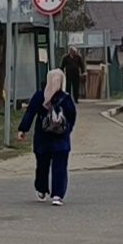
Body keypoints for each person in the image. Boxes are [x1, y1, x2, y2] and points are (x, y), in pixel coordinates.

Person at [19, 69, 78, 206]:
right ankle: (57, 195)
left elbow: (30, 112)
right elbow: (72, 116)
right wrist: (67, 130)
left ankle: (41, 189)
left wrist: (23, 129)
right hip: (61, 139)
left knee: (42, 166)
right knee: (60, 167)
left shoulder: (40, 96)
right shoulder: (65, 98)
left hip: (42, 139)